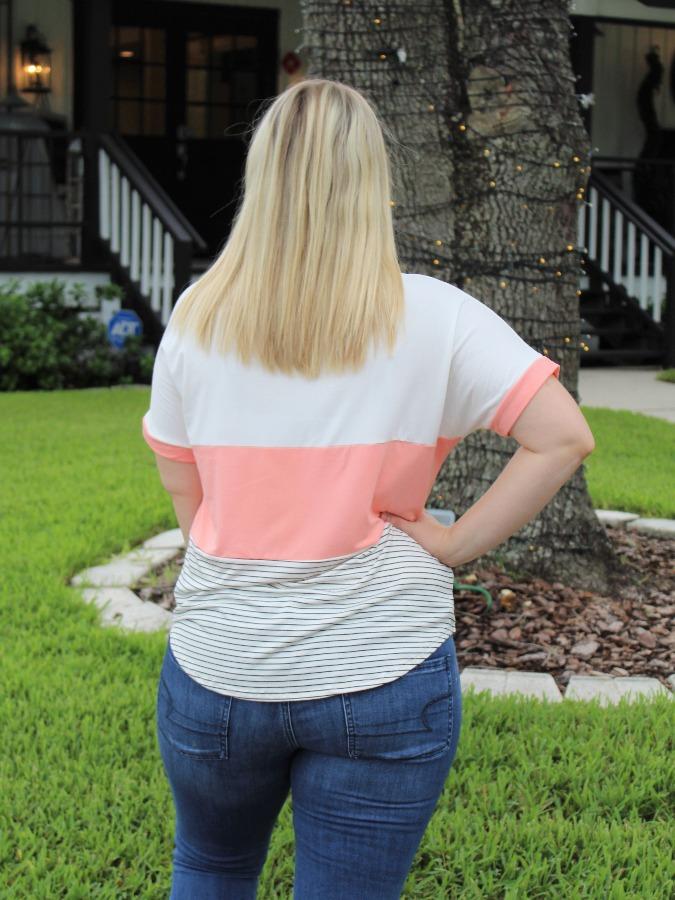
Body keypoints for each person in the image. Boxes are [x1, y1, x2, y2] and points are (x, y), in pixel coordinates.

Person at [141, 77, 595, 900]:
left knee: (209, 867)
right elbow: (561, 437)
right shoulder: (435, 315)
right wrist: (454, 545)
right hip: (381, 671)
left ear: (264, 176)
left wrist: (233, 543)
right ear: (372, 181)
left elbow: (184, 485)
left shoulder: (198, 316)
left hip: (220, 668)